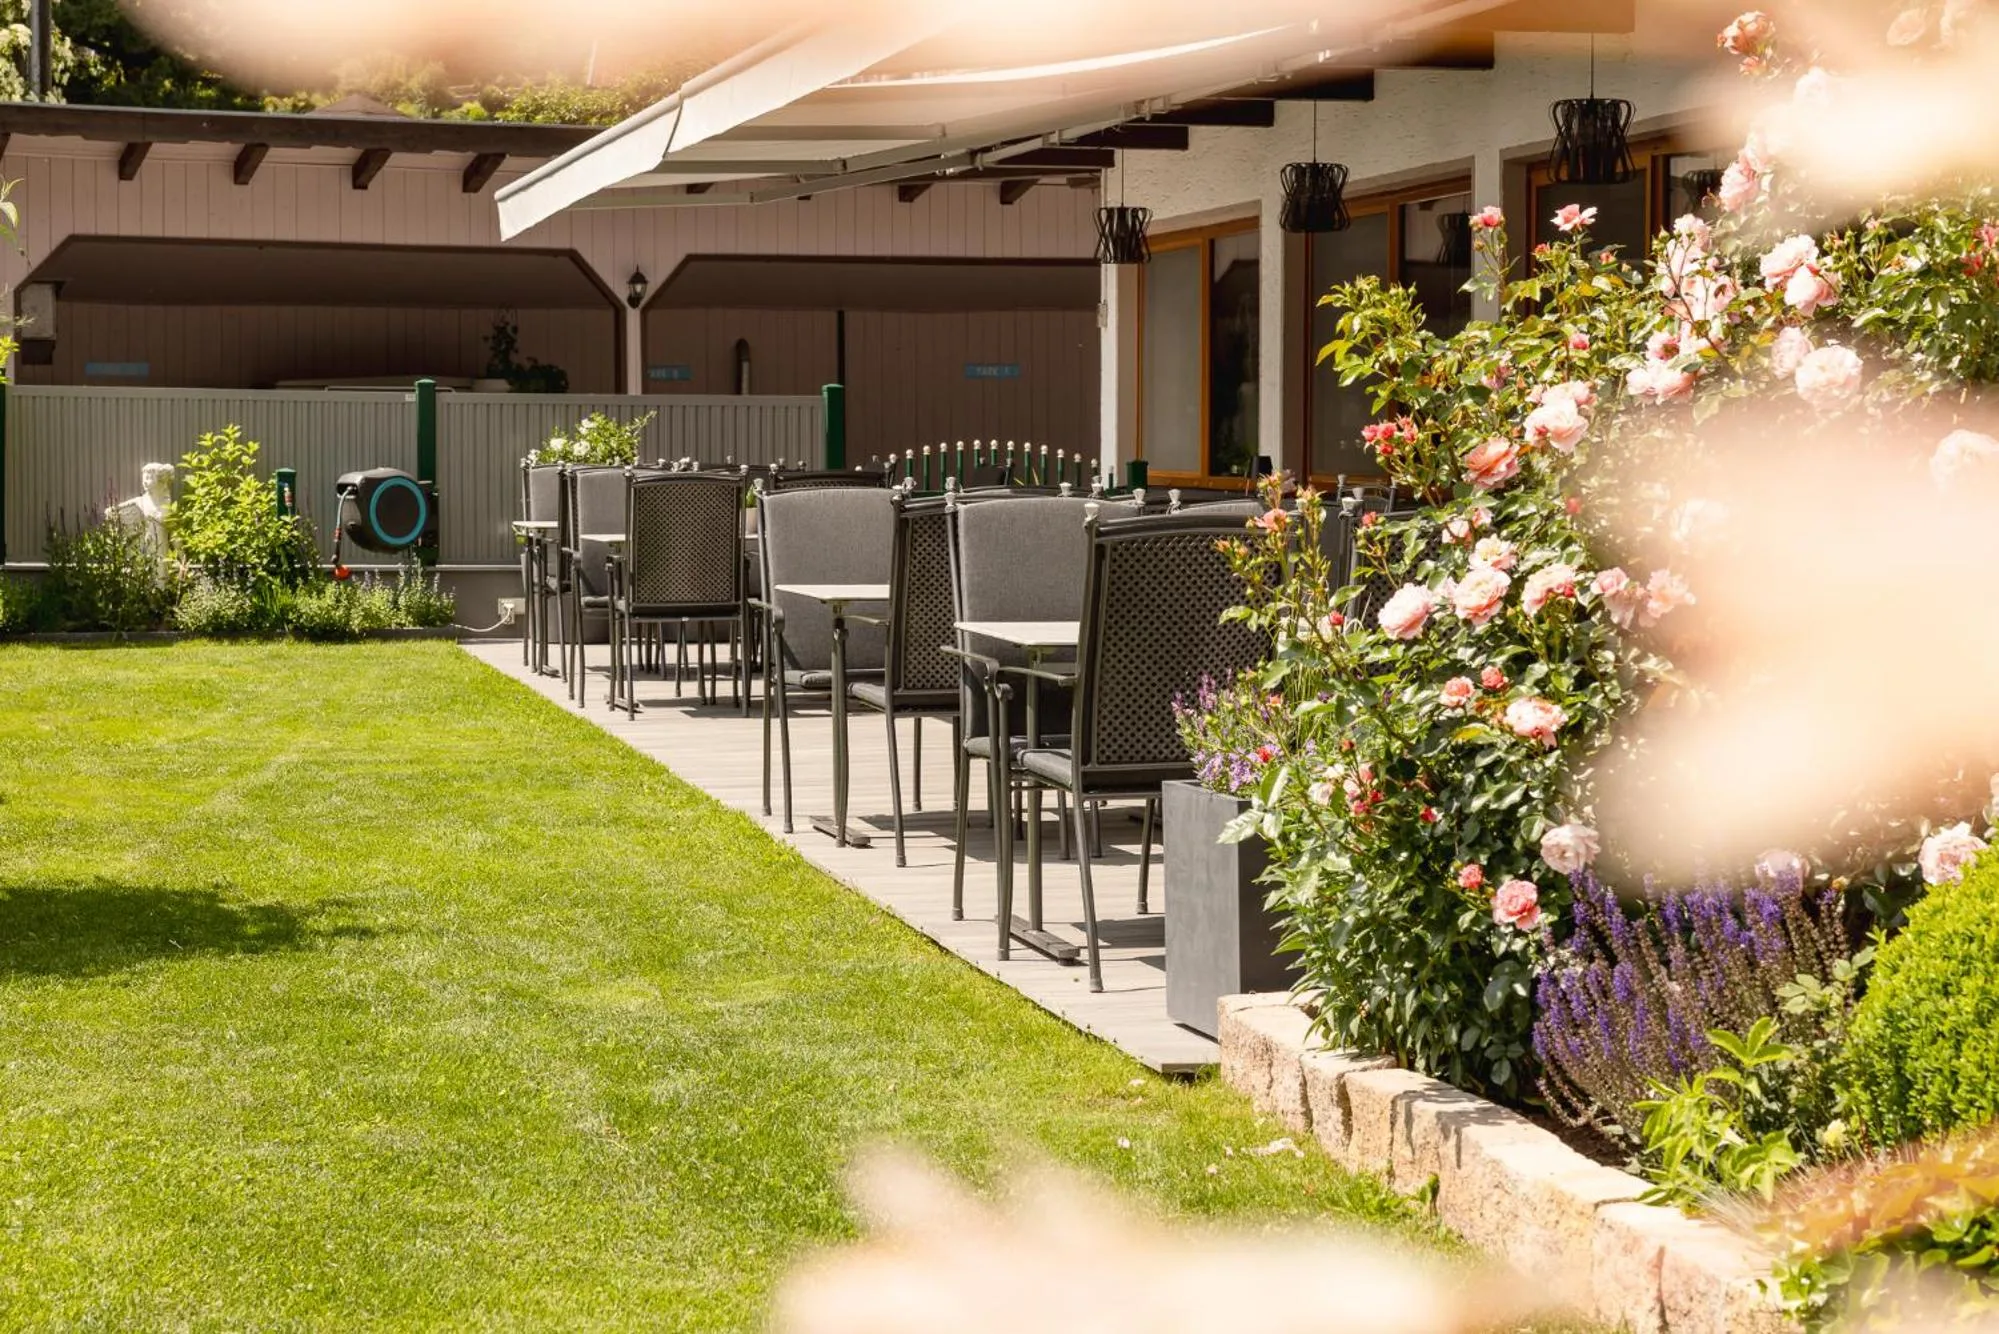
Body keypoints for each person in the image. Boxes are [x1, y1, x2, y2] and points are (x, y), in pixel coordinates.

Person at [106, 462, 174, 554]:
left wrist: (183, 559)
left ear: (160, 481)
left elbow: (175, 535)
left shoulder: (166, 505)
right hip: (147, 547)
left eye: (149, 478)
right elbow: (118, 508)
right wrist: (110, 511)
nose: (145, 482)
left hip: (162, 548)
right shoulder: (141, 501)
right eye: (144, 478)